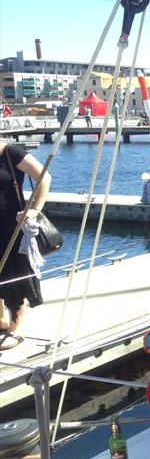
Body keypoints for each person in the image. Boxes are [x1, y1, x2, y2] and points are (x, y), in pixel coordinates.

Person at [0, 143, 51, 350]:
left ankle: (16, 328)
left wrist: (34, 210)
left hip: (11, 226)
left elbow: (44, 177)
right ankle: (1, 320)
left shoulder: (11, 153)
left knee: (14, 277)